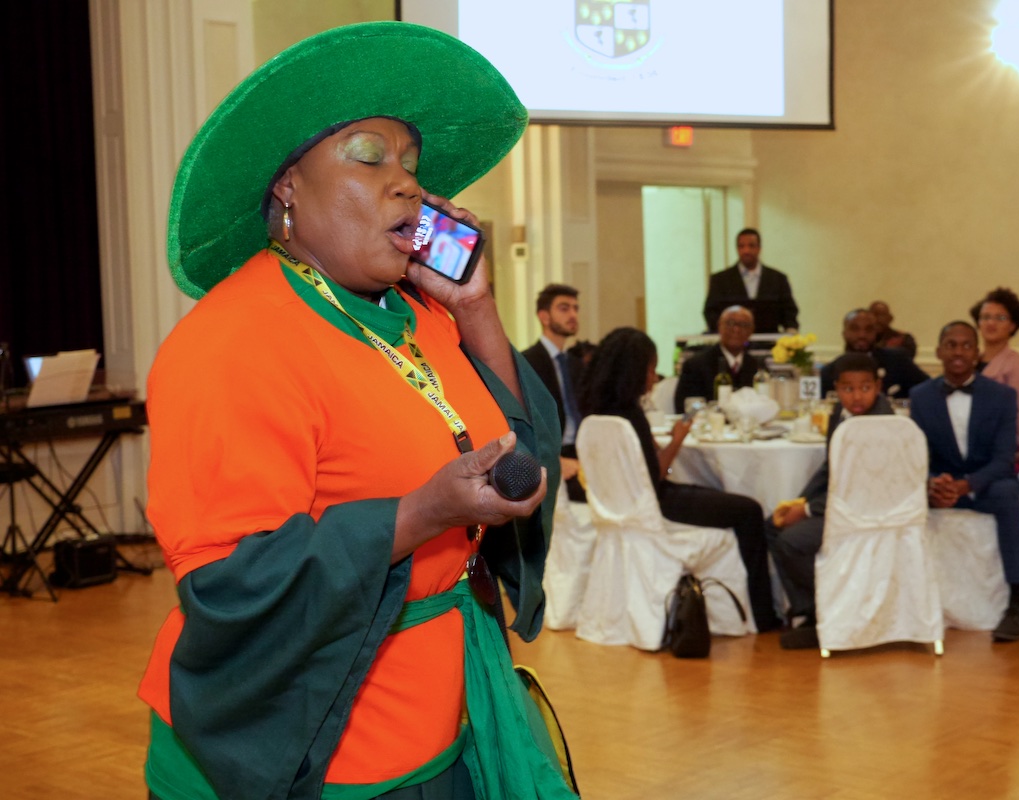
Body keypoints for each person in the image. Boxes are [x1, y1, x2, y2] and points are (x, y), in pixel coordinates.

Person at [137, 23, 575, 800]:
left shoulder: (418, 315)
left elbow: (518, 452)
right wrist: (420, 514)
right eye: (369, 156)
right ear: (288, 187)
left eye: (411, 164)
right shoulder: (231, 340)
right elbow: (232, 583)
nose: (404, 182)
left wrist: (474, 308)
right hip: (304, 745)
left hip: (443, 712)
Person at [580, 327, 781, 632]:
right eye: (650, 369)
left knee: (720, 499)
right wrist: (677, 439)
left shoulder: (599, 410)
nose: (654, 377)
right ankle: (764, 615)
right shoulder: (631, 414)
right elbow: (655, 474)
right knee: (749, 511)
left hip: (621, 507)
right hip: (655, 505)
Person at [909, 322, 1019, 643]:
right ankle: (912, 604)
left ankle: (1018, 603)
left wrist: (967, 484)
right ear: (939, 352)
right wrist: (933, 484)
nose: (959, 352)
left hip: (986, 484)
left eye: (966, 345)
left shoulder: (1002, 396)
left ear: (977, 353)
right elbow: (918, 456)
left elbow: (1004, 459)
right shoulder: (920, 397)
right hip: (943, 487)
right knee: (903, 494)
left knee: (1007, 494)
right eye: (951, 345)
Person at [765, 353, 892, 650]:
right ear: (836, 389)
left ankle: (835, 610)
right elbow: (830, 469)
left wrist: (809, 510)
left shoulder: (881, 424)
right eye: (848, 389)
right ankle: (812, 612)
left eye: (865, 388)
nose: (856, 396)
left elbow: (862, 486)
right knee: (772, 526)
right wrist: (800, 501)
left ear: (878, 387)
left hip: (865, 510)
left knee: (791, 541)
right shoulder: (839, 413)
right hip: (840, 503)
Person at [522, 284, 586, 500]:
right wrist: (553, 460)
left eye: (576, 308)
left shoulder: (576, 365)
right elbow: (524, 422)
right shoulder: (526, 362)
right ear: (544, 317)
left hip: (582, 452)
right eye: (564, 308)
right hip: (551, 457)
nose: (573, 315)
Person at [702, 228, 799, 334]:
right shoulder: (720, 280)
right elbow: (711, 313)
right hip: (732, 340)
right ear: (737, 249)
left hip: (769, 340)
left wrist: (791, 332)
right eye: (741, 246)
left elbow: (789, 313)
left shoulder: (778, 279)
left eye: (751, 246)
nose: (746, 251)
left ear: (759, 248)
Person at [818, 308, 929, 399]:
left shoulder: (898, 360)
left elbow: (928, 389)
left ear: (876, 333)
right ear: (844, 333)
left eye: (869, 329)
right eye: (855, 329)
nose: (862, 335)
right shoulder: (830, 372)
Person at [970, 287, 1019, 436]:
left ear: (1012, 325)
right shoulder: (970, 362)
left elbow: (1015, 421)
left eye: (1000, 318)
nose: (991, 323)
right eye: (985, 317)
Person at [673, 305, 760, 412]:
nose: (736, 329)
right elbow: (684, 406)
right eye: (730, 323)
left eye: (743, 325)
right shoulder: (695, 365)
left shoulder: (756, 366)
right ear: (719, 326)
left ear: (751, 330)